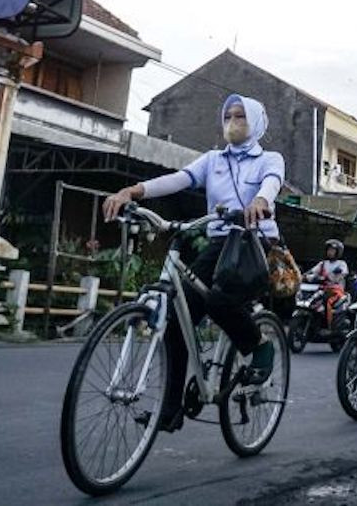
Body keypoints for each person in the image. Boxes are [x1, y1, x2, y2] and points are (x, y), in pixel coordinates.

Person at [102, 93, 283, 432]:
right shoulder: (212, 159)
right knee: (174, 318)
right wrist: (132, 192)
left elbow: (272, 183)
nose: (233, 122)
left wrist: (260, 199)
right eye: (228, 116)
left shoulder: (269, 159)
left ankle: (259, 346)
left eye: (241, 116)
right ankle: (169, 412)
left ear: (255, 122)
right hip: (218, 241)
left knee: (218, 299)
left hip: (253, 242)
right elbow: (178, 179)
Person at [305, 239, 348, 328]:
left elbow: (342, 274)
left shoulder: (341, 264)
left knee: (328, 302)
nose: (330, 252)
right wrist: (304, 276)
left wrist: (332, 276)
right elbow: (312, 272)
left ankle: (329, 326)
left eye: (332, 250)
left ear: (338, 252)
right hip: (323, 289)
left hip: (336, 291)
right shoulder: (323, 263)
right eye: (329, 250)